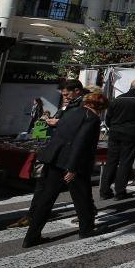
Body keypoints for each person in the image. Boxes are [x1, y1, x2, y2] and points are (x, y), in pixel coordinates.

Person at [23, 93, 108, 248]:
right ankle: (86, 228)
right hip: (72, 163)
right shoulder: (92, 118)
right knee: (82, 196)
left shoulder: (72, 112)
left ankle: (31, 236)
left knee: (46, 198)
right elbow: (80, 143)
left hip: (54, 158)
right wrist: (73, 167)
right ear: (100, 107)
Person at [99, 79, 135, 200]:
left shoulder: (118, 99)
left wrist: (114, 127)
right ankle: (120, 191)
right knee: (125, 162)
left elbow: (108, 118)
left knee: (111, 161)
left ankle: (104, 191)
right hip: (131, 134)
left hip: (115, 133)